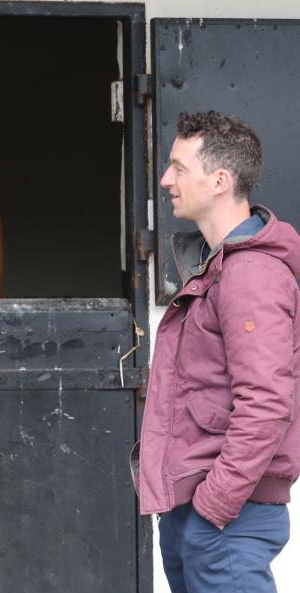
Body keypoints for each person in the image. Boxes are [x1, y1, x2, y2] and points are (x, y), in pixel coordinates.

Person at [135, 111, 300, 593]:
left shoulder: (251, 276)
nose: (166, 180)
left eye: (179, 168)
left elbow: (267, 405)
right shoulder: (219, 268)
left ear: (220, 180)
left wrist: (214, 507)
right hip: (203, 513)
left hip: (229, 517)